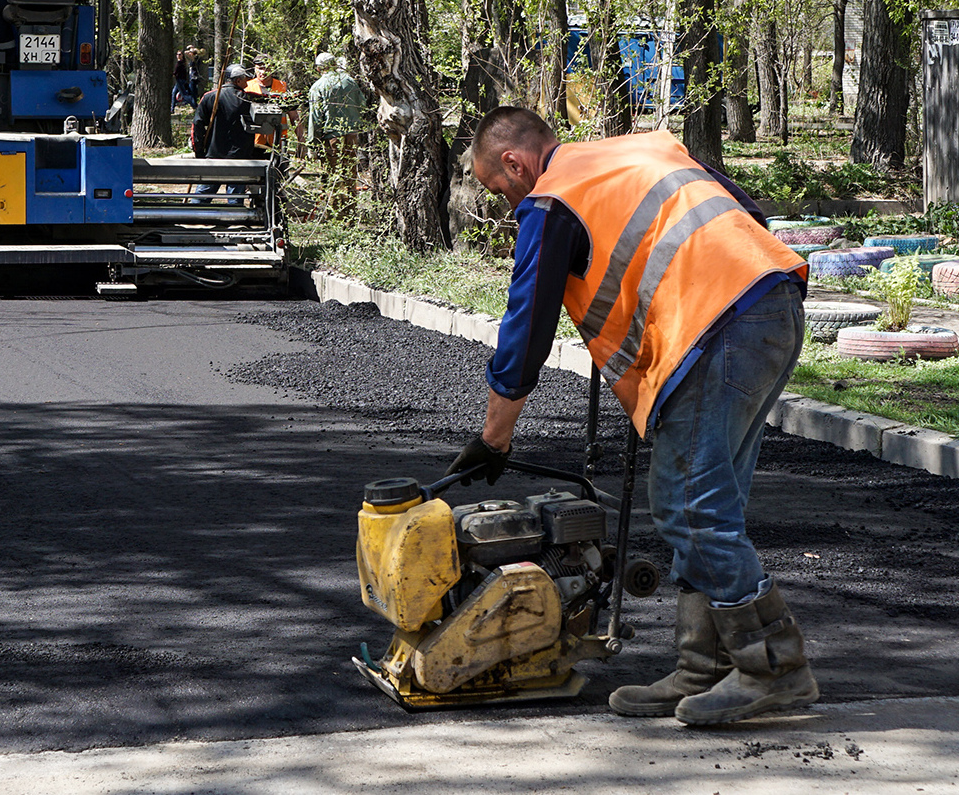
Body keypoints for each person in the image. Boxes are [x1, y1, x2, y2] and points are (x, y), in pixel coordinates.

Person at [452, 105, 814, 727]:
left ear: (514, 162)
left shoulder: (551, 198)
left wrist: (494, 438)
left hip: (716, 327)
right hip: (769, 305)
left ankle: (772, 667)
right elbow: (745, 216)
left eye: (498, 187)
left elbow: (525, 329)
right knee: (704, 507)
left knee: (692, 507)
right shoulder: (635, 153)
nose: (505, 200)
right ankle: (703, 665)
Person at [191, 63, 264, 204]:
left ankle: (192, 219)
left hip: (213, 156)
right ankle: (234, 223)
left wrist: (199, 152)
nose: (247, 83)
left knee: (201, 197)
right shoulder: (249, 99)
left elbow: (197, 126)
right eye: (245, 80)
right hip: (240, 158)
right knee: (236, 200)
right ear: (237, 80)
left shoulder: (209, 97)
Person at [305, 52, 368, 194]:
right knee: (350, 178)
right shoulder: (349, 81)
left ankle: (336, 214)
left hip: (332, 139)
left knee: (334, 180)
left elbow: (315, 118)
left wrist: (312, 145)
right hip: (352, 135)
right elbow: (362, 105)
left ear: (319, 69)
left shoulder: (318, 86)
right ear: (334, 64)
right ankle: (351, 211)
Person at [246, 54, 294, 154]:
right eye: (260, 68)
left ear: (273, 69)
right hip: (254, 142)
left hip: (279, 141)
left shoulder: (282, 87)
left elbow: (294, 116)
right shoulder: (247, 87)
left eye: (267, 68)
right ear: (255, 68)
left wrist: (301, 141)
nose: (263, 72)